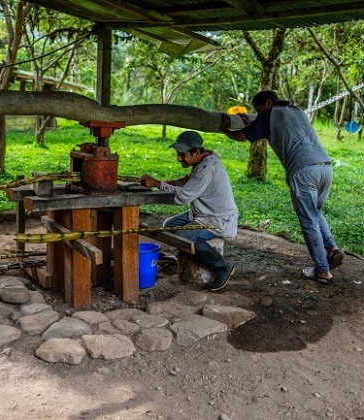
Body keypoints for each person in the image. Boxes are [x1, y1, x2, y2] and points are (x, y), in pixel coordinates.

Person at [220, 90, 344, 285]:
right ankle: (332, 249)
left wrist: (224, 128)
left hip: (303, 172)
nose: (259, 113)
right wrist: (253, 120)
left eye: (259, 109)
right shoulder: (296, 111)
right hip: (325, 167)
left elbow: (241, 137)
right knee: (316, 212)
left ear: (268, 103)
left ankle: (323, 271)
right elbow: (269, 125)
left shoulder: (268, 115)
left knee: (308, 220)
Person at [139, 130, 238, 291]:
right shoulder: (205, 159)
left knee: (184, 237)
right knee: (169, 225)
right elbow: (188, 181)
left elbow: (183, 197)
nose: (179, 158)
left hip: (216, 219)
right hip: (203, 214)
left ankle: (223, 267)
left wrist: (158, 184)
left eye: (182, 154)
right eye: (178, 154)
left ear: (197, 152)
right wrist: (167, 183)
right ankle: (185, 258)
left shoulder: (207, 168)